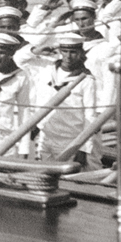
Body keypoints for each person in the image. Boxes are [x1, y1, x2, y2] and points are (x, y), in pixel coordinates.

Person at [31, 32, 103, 164]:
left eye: (73, 52)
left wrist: (83, 148)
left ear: (81, 53)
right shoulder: (47, 69)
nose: (68, 56)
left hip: (70, 139)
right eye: (64, 51)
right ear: (59, 51)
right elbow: (19, 59)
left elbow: (90, 117)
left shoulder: (86, 80)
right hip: (45, 136)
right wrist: (36, 50)